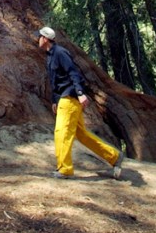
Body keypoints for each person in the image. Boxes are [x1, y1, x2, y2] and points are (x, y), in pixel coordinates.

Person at [36, 26, 124, 179]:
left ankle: (65, 169)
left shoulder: (60, 53)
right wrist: (55, 100)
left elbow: (73, 73)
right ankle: (114, 156)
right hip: (63, 98)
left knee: (61, 133)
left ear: (45, 38)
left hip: (70, 99)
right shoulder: (50, 55)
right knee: (82, 135)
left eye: (39, 37)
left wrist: (81, 93)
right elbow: (56, 80)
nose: (37, 39)